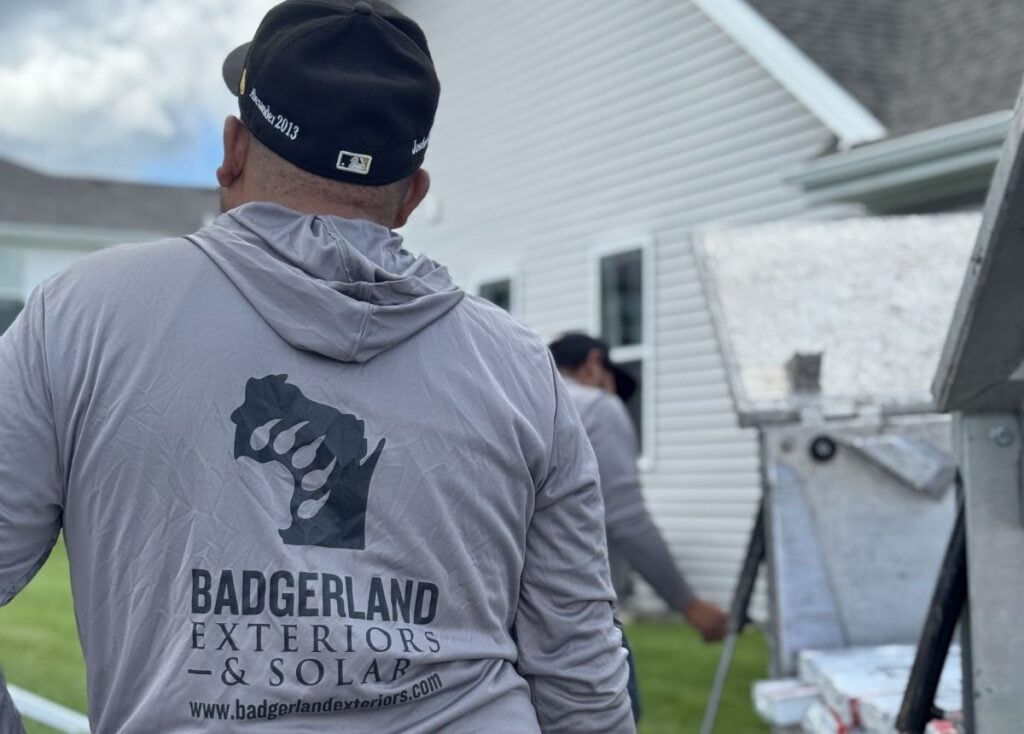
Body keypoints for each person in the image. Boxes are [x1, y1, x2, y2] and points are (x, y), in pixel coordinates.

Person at [0, 2, 634, 731]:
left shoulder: (84, 317)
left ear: (233, 148)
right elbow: (581, 669)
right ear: (412, 195)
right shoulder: (520, 370)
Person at [548, 333, 729, 637]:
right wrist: (690, 605)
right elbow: (626, 519)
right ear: (593, 363)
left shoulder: (519, 405)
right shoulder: (597, 406)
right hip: (578, 618)